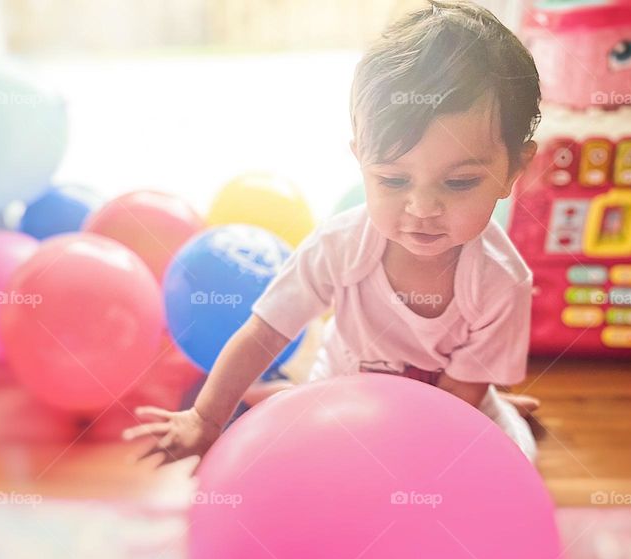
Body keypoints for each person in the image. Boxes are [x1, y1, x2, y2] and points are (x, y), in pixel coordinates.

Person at [124, 0, 542, 465]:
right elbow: (265, 332)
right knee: (298, 465)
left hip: (446, 408)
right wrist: (205, 418)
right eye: (393, 180)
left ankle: (498, 407)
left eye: (460, 182)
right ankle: (287, 397)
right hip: (340, 396)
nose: (423, 208)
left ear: (514, 170)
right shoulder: (339, 246)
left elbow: (455, 400)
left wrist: (450, 421)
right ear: (361, 158)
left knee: (512, 457)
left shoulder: (502, 282)